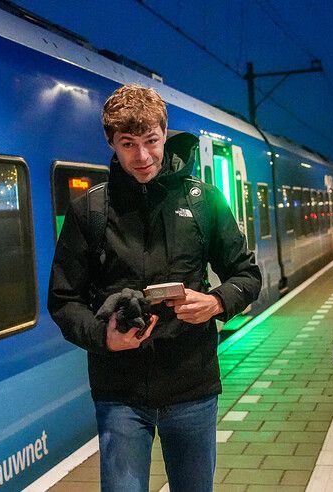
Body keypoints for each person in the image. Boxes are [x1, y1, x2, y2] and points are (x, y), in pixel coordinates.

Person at [48, 84, 262, 492]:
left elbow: (247, 275)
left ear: (165, 134)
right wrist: (103, 337)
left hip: (192, 386)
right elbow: (63, 299)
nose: (142, 156)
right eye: (128, 144)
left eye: (151, 141)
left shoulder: (204, 201)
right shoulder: (90, 211)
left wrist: (216, 302)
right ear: (112, 143)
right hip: (120, 392)